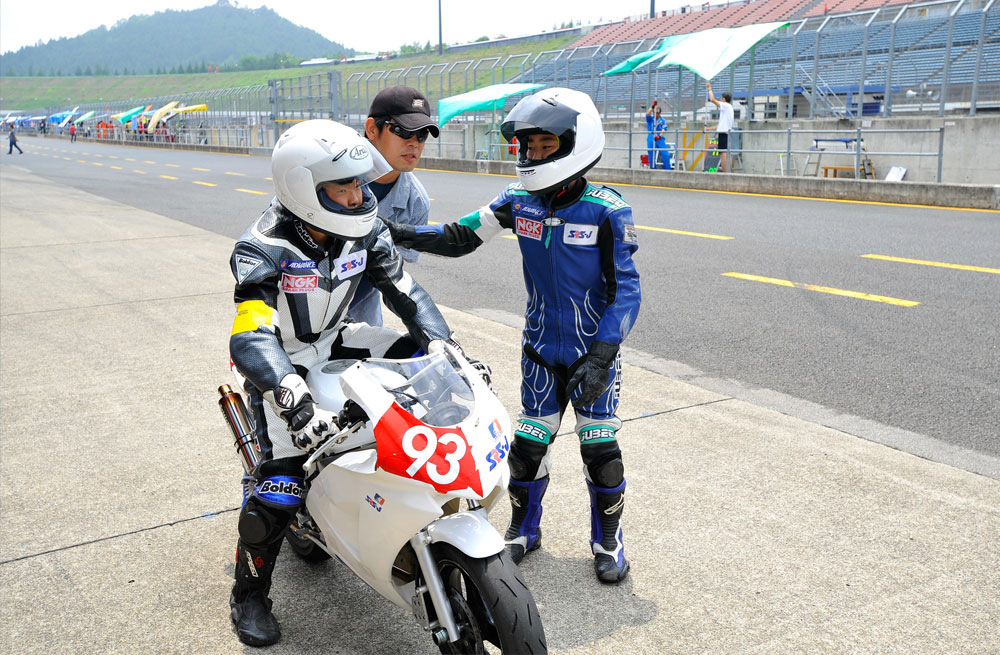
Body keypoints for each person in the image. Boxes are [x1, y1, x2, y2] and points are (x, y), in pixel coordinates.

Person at [388, 88, 641, 584]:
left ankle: (608, 541)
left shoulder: (607, 209)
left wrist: (602, 355)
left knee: (601, 454)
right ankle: (524, 530)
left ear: (577, 142)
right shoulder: (517, 200)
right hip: (540, 350)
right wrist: (394, 232)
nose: (535, 155)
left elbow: (626, 290)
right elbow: (459, 237)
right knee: (525, 451)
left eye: (547, 145)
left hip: (592, 353)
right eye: (528, 146)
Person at [227, 119, 456, 646]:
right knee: (279, 488)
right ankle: (249, 596)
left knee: (425, 362)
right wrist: (289, 394)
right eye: (342, 186)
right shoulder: (262, 246)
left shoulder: (367, 228)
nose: (357, 195)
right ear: (303, 188)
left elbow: (406, 292)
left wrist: (446, 349)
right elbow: (250, 332)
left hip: (337, 338)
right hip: (280, 360)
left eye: (358, 182)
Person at [347, 85, 438, 327]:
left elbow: (391, 277)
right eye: (403, 131)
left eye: (422, 135)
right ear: (372, 129)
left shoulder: (415, 202)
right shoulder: (329, 170)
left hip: (360, 320)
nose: (414, 143)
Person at [706, 81, 735, 173]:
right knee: (726, 153)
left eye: (722, 98)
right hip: (726, 132)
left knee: (723, 153)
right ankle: (728, 172)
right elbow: (721, 125)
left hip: (724, 134)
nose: (721, 99)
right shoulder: (728, 108)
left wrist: (709, 88)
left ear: (724, 99)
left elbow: (712, 99)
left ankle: (726, 172)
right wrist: (710, 128)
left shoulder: (726, 105)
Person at [645, 100, 670, 169]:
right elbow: (647, 114)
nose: (655, 114)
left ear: (659, 113)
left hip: (659, 138)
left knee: (666, 154)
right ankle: (653, 169)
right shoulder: (650, 119)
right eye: (654, 112)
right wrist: (652, 106)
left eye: (657, 113)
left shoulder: (663, 120)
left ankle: (668, 170)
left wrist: (659, 136)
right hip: (651, 136)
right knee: (651, 154)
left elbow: (663, 129)